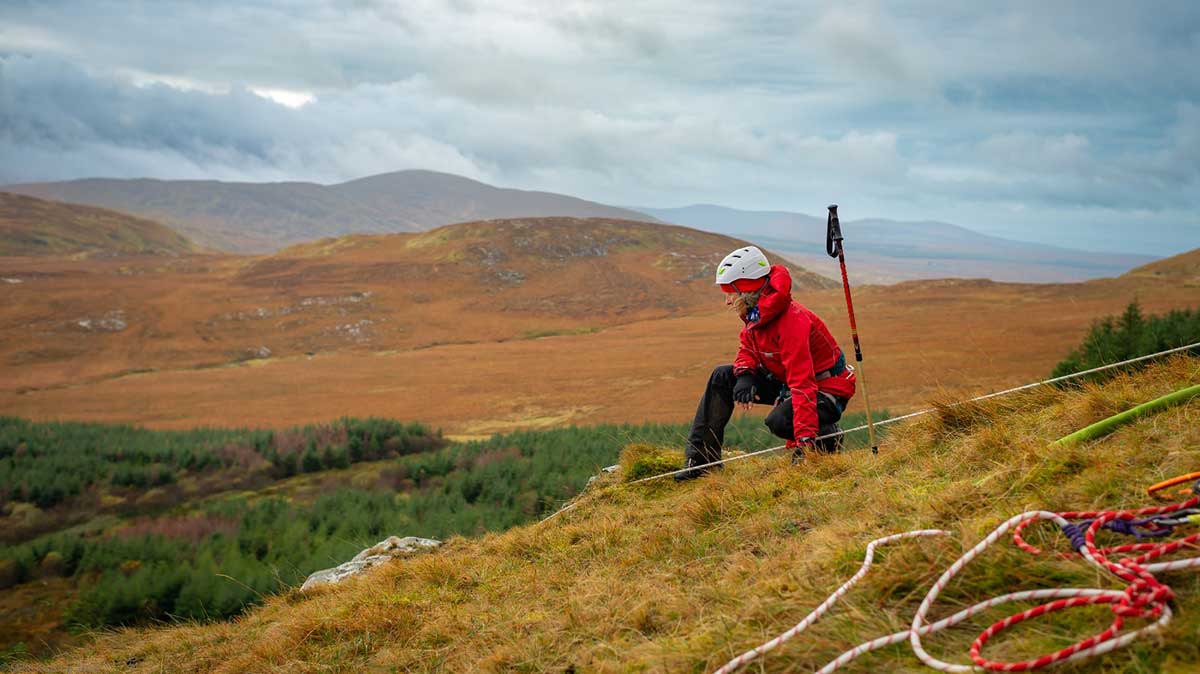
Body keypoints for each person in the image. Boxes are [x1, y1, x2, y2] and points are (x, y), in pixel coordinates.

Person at [676, 245, 857, 481]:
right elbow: (749, 345)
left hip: (826, 388)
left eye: (730, 293)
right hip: (787, 381)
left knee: (779, 421)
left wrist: (805, 442)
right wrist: (745, 374)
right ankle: (701, 462)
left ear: (746, 291)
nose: (727, 301)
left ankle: (826, 440)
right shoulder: (759, 312)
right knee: (722, 377)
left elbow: (802, 384)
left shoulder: (792, 322)